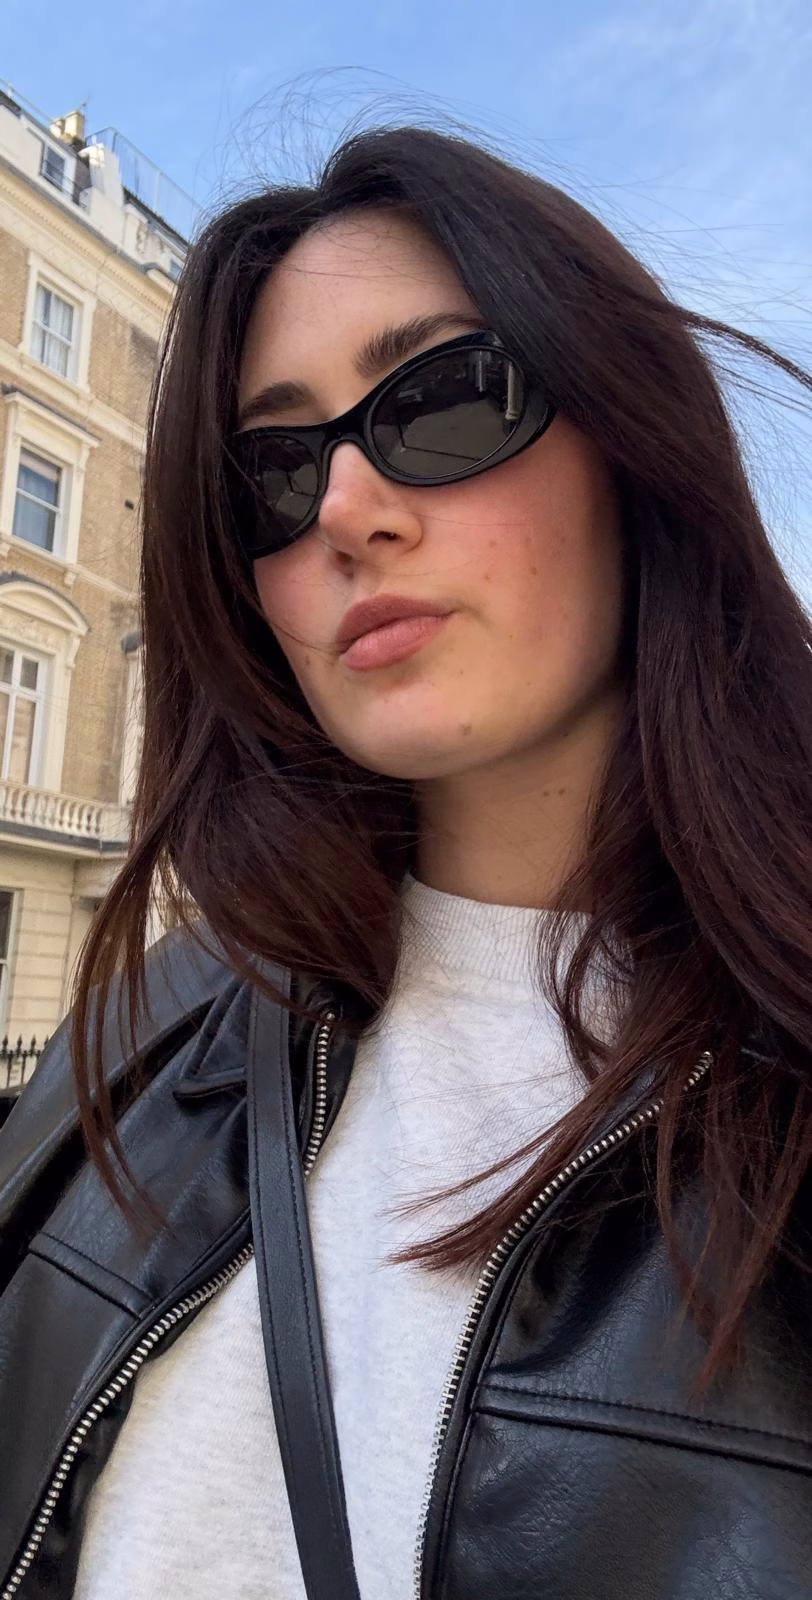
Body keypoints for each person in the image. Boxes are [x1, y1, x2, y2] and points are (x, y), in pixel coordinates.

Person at [0, 124, 810, 1600]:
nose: (345, 513)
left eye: (442, 399)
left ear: (630, 440)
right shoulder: (144, 1031)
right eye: (273, 473)